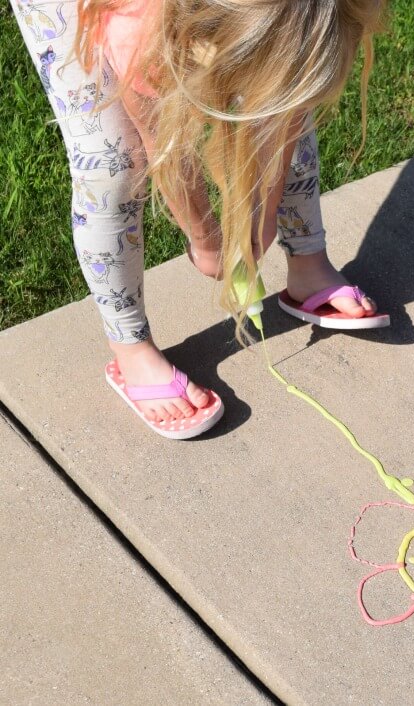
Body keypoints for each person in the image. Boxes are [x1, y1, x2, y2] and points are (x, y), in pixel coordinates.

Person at [10, 0, 389, 439]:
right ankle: (130, 346)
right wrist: (205, 238)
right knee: (113, 159)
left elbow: (283, 111)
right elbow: (161, 140)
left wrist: (263, 219)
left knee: (283, 89)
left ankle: (309, 265)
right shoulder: (141, 29)